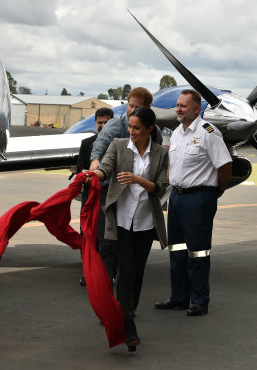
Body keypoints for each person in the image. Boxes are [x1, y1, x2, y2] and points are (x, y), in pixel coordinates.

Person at [84, 106, 168, 351]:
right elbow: (107, 167)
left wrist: (139, 180)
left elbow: (161, 187)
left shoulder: (161, 153)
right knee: (127, 271)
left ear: (149, 130)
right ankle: (128, 324)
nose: (131, 131)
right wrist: (95, 174)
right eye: (130, 126)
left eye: (137, 128)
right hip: (120, 222)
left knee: (138, 273)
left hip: (145, 223)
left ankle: (126, 313)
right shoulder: (119, 145)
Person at [154, 89, 232, 316]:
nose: (178, 109)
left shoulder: (208, 132)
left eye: (183, 106)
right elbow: (172, 163)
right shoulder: (177, 133)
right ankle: (178, 297)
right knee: (176, 249)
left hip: (199, 198)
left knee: (198, 252)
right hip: (177, 197)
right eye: (178, 105)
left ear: (196, 109)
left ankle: (199, 300)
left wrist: (217, 190)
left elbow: (224, 164)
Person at [76, 107, 114, 286]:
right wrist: (88, 176)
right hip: (90, 200)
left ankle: (109, 273)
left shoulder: (120, 144)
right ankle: (87, 272)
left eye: (107, 122)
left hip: (110, 200)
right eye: (100, 122)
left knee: (108, 239)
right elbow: (79, 173)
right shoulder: (86, 144)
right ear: (95, 123)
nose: (103, 125)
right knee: (88, 237)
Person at [88, 87, 153, 172]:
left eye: (137, 107)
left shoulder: (155, 132)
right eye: (131, 106)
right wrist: (95, 160)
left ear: (147, 107)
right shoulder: (116, 124)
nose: (133, 110)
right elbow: (102, 140)